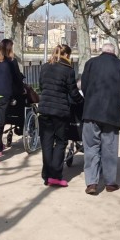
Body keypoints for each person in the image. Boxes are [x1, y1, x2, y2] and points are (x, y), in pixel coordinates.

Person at [81, 42, 120, 195]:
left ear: (101, 50)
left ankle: (91, 183)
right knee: (109, 147)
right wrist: (119, 101)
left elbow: (84, 85)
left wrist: (90, 98)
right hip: (112, 112)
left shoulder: (90, 63)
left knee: (91, 147)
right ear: (114, 52)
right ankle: (110, 182)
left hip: (91, 111)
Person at [38, 43, 83, 187]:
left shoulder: (45, 67)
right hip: (60, 110)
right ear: (67, 55)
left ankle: (46, 174)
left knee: (46, 142)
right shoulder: (68, 70)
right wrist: (83, 102)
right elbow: (73, 92)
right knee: (61, 141)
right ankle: (55, 175)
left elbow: (41, 86)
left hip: (44, 109)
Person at [0, 38, 26, 164]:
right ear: (10, 48)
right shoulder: (11, 61)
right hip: (3, 94)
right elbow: (17, 78)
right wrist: (22, 90)